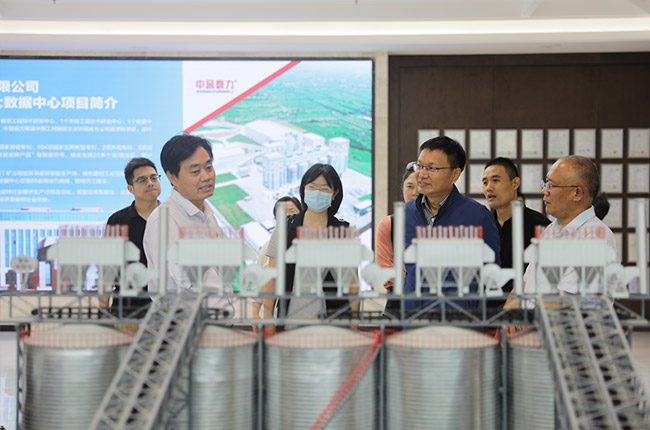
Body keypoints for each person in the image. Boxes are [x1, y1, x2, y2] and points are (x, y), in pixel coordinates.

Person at [403, 136, 501, 310]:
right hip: (412, 319)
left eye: (432, 168)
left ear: (455, 174)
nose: (422, 174)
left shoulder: (478, 217)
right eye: (420, 166)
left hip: (458, 321)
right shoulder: (406, 214)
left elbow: (491, 276)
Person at [143, 134, 233, 314]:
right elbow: (174, 284)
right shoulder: (165, 220)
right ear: (172, 177)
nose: (206, 176)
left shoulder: (207, 215)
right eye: (195, 171)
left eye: (209, 167)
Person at [258, 163, 359, 321]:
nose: (317, 193)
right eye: (312, 187)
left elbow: (352, 282)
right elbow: (272, 277)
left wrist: (355, 321)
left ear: (334, 194)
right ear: (304, 189)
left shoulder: (344, 231)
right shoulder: (285, 226)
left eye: (324, 189)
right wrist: (267, 317)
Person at [521, 156, 618, 298]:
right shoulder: (550, 230)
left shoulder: (596, 237)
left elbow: (565, 302)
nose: (544, 191)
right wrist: (507, 312)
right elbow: (524, 286)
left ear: (577, 193)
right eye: (545, 184)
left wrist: (523, 311)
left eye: (551, 185)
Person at [482, 157, 550, 306]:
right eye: (485, 182)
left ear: (515, 183)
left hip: (524, 310)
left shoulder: (540, 226)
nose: (489, 188)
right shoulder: (482, 225)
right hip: (484, 312)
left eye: (495, 180)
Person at [104, 157, 161, 316]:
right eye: (142, 180)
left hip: (167, 308)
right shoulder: (117, 221)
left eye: (154, 178)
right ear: (130, 188)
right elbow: (107, 270)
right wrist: (102, 309)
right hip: (127, 309)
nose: (150, 183)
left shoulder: (172, 217)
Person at [376, 161, 417, 313]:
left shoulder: (438, 224)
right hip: (398, 306)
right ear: (402, 189)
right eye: (409, 186)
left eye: (420, 186)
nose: (415, 192)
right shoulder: (389, 224)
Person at [252, 196, 301, 318]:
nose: (288, 215)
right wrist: (255, 313)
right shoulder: (268, 247)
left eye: (292, 211)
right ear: (275, 219)